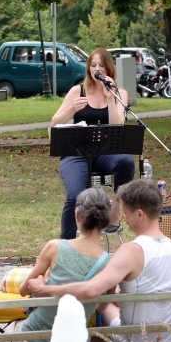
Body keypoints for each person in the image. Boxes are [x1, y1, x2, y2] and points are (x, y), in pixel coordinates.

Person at [28, 180, 171, 342]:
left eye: (125, 213)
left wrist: (45, 290)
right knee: (109, 298)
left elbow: (90, 290)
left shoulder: (131, 251)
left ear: (139, 214)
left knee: (99, 303)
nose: (122, 219)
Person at [12, 187, 112, 342]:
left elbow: (23, 290)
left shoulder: (54, 247)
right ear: (105, 221)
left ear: (77, 216)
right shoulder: (109, 263)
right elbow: (101, 307)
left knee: (17, 323)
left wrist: (43, 285)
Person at [51, 48, 135, 239]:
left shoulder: (120, 93)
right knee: (74, 195)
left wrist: (110, 98)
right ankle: (68, 243)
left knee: (126, 162)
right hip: (76, 152)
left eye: (101, 66)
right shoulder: (77, 91)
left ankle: (114, 214)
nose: (97, 69)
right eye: (93, 65)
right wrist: (71, 109)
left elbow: (117, 125)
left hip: (105, 151)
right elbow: (55, 122)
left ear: (109, 69)